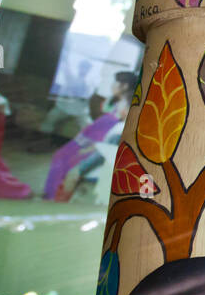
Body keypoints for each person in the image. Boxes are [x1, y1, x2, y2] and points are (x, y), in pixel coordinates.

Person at [43, 71, 136, 202]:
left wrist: (84, 146)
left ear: (125, 86)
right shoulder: (115, 102)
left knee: (63, 159)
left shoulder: (124, 108)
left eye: (116, 82)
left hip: (93, 145)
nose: (112, 85)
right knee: (61, 156)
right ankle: (52, 194)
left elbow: (103, 141)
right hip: (88, 140)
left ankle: (54, 196)